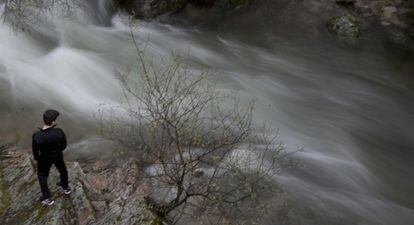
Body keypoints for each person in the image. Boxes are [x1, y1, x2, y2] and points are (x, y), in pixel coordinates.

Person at [32, 109, 71, 206]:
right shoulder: (59, 132)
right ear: (53, 122)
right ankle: (66, 187)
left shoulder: (37, 136)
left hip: (44, 157)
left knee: (42, 175)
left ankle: (47, 197)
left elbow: (35, 151)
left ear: (44, 120)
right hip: (57, 155)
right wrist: (58, 151)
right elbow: (64, 145)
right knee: (62, 169)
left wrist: (37, 158)